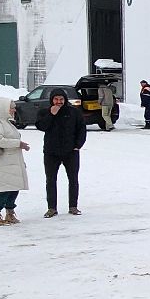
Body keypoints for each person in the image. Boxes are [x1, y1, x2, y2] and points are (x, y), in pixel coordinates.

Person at [35, 87, 86, 217]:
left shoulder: (74, 112)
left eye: (61, 99)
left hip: (71, 152)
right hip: (51, 152)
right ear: (52, 100)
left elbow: (81, 129)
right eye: (56, 99)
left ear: (65, 99)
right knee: (51, 180)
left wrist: (78, 145)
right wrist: (51, 114)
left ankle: (73, 206)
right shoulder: (44, 112)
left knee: (73, 179)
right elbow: (41, 126)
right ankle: (52, 208)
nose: (59, 102)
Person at [0, 96, 31, 224]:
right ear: (2, 109)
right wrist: (18, 143)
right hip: (2, 163)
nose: (14, 110)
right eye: (12, 108)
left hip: (12, 162)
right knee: (3, 188)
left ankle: (10, 212)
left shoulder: (6, 122)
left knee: (14, 187)